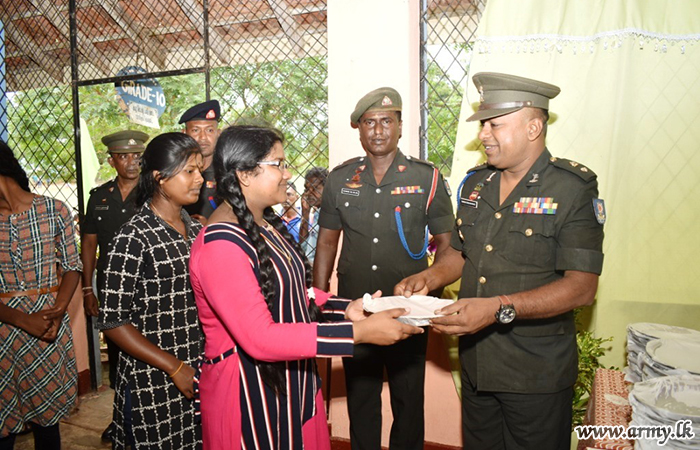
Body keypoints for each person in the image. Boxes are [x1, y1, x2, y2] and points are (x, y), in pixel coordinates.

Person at [395, 72, 606, 449]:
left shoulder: (571, 188)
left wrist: (497, 308)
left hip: (535, 373)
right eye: (483, 125)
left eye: (495, 125)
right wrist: (429, 277)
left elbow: (581, 288)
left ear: (533, 128)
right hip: (478, 366)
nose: (484, 135)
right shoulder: (477, 184)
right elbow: (461, 253)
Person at [189, 125, 423, 450]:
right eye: (278, 164)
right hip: (249, 392)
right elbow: (259, 338)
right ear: (244, 174)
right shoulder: (221, 245)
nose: (288, 174)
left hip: (290, 379)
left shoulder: (262, 225)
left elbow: (295, 294)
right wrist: (357, 334)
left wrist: (349, 308)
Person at [313, 87, 455, 450]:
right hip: (356, 309)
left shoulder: (426, 178)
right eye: (369, 122)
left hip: (408, 310)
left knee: (408, 400)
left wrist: (431, 293)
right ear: (359, 129)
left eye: (386, 121)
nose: (378, 130)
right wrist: (319, 297)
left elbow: (448, 245)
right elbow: (326, 242)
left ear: (400, 126)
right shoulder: (340, 179)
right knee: (361, 397)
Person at [98, 132, 204, 450]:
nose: (199, 178)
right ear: (160, 177)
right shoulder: (133, 238)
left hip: (197, 368)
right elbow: (113, 322)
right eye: (190, 171)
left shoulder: (198, 231)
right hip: (152, 378)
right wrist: (174, 367)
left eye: (199, 170)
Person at [0, 141, 82, 449]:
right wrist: (24, 320)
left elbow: (72, 266)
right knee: (3, 424)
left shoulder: (54, 210)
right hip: (3, 331)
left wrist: (57, 311)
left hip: (48, 327)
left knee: (47, 423)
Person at [80, 129, 148, 443]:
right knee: (119, 357)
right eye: (124, 156)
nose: (132, 162)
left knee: (149, 350)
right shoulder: (100, 197)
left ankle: (148, 415)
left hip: (147, 289)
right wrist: (88, 289)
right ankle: (120, 417)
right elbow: (89, 243)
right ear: (112, 161)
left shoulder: (155, 193)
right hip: (111, 290)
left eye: (137, 156)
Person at [180, 99, 222, 225]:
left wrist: (210, 226)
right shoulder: (174, 172)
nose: (203, 137)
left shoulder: (227, 172)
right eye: (196, 130)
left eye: (209, 130)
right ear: (184, 133)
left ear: (218, 133)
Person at [299, 166, 328, 261]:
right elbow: (304, 247)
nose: (308, 193)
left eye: (315, 188)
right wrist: (305, 215)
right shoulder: (317, 214)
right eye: (307, 189)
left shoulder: (329, 216)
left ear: (327, 189)